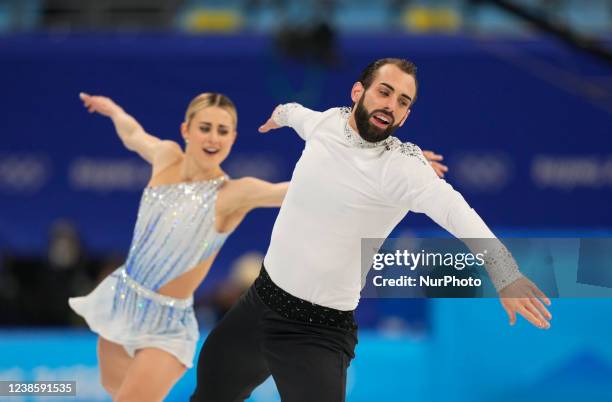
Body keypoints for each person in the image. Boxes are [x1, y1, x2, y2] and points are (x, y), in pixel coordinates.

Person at [190, 58, 553, 402]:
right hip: (259, 302)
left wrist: (505, 274)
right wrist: (278, 116)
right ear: (357, 92)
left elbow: (460, 215)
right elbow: (296, 113)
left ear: (406, 116)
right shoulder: (328, 123)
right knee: (208, 392)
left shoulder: (404, 170)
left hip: (316, 332)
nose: (391, 104)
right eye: (384, 91)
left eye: (402, 101)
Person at [69, 90, 449, 401]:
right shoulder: (165, 156)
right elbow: (134, 134)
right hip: (122, 299)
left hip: (166, 324)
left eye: (223, 130)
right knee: (113, 389)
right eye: (205, 127)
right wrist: (114, 110)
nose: (213, 138)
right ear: (186, 129)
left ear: (233, 139)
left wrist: (398, 166)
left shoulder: (235, 192)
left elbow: (306, 187)